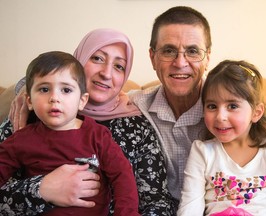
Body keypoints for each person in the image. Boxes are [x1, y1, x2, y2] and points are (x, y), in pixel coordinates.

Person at [0, 29, 176, 215]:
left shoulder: (137, 128)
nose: (106, 74)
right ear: (79, 62)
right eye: (98, 58)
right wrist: (40, 188)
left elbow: (156, 202)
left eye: (119, 66)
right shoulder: (28, 116)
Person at [0, 51, 140, 216]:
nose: (54, 98)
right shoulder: (20, 137)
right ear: (29, 101)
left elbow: (122, 174)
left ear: (82, 100)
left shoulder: (98, 136)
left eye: (66, 90)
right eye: (44, 89)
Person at [177, 60, 266, 216]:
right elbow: (190, 205)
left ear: (256, 112)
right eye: (212, 106)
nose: (220, 116)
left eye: (232, 106)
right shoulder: (203, 151)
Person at [129, 6, 211, 205]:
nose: (180, 62)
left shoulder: (232, 112)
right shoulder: (132, 106)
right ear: (153, 58)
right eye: (168, 51)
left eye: (192, 51)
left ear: (207, 58)